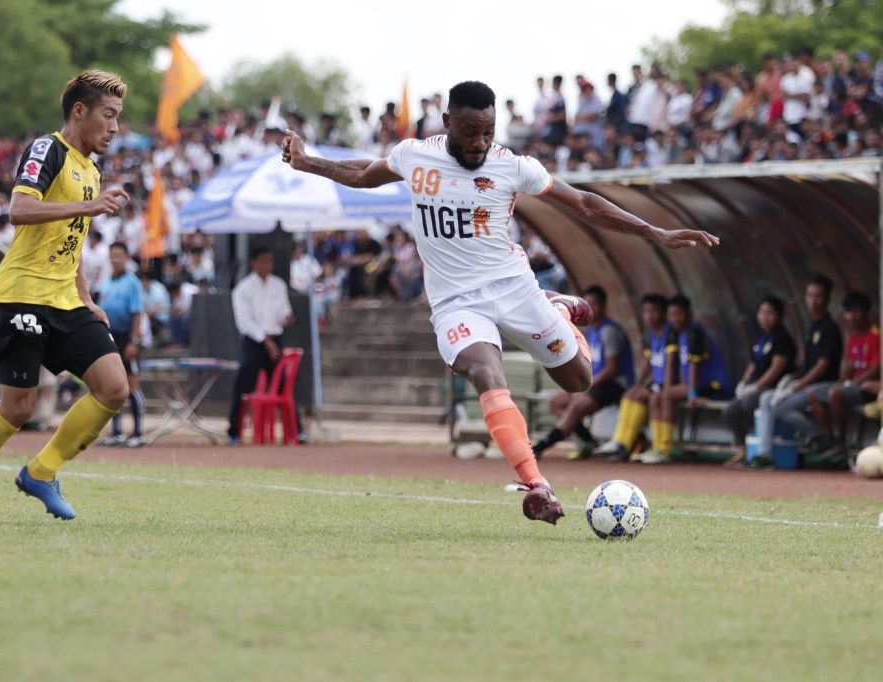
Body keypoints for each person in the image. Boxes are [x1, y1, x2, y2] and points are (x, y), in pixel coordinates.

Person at [281, 80, 718, 525]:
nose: (480, 142)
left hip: (515, 289)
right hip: (456, 302)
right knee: (485, 371)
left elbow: (584, 203)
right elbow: (362, 173)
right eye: (470, 131)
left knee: (578, 380)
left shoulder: (512, 166)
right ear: (447, 122)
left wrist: (655, 232)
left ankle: (558, 308)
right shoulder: (415, 155)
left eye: (488, 131)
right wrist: (308, 162)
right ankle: (537, 484)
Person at [0, 70, 132, 524]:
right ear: (79, 111)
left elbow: (71, 240)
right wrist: (89, 205)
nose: (115, 127)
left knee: (114, 387)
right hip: (21, 296)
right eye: (108, 115)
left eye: (118, 117)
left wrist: (86, 297)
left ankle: (41, 471)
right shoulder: (48, 149)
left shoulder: (91, 169)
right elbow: (19, 210)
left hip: (66, 301)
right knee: (18, 408)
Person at [746, 275, 843, 466]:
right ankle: (764, 453)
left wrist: (797, 386)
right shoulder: (812, 327)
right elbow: (807, 366)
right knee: (767, 398)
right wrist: (791, 379)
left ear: (827, 299)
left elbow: (822, 366)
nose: (813, 301)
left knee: (779, 405)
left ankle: (817, 435)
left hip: (823, 385)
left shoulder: (828, 328)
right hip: (807, 385)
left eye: (818, 296)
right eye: (809, 295)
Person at [533, 285, 635, 460]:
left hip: (614, 384)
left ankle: (542, 445)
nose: (591, 308)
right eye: (588, 304)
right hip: (595, 382)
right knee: (556, 402)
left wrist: (586, 386)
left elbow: (611, 369)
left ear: (603, 306)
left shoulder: (609, 331)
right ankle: (587, 441)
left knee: (577, 405)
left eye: (595, 304)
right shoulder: (592, 330)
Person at [638, 295, 732, 464]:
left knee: (666, 396)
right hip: (692, 385)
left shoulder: (695, 333)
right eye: (671, 315)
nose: (675, 319)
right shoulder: (679, 334)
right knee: (656, 396)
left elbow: (694, 367)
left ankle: (664, 449)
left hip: (712, 386)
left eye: (679, 314)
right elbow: (683, 368)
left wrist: (692, 393)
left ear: (688, 313)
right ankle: (656, 446)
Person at [226, 246, 298, 445]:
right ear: (254, 263)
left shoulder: (278, 285)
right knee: (243, 385)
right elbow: (244, 322)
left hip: (275, 338)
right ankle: (234, 431)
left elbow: (282, 311)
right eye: (263, 261)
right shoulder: (243, 289)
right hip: (254, 342)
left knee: (284, 386)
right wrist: (264, 340)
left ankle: (296, 430)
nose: (268, 265)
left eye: (270, 261)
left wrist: (287, 318)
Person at [594, 293, 669, 462]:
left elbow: (672, 365)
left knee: (647, 396)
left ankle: (659, 448)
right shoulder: (653, 334)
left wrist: (662, 386)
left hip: (668, 384)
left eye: (654, 311)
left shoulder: (670, 334)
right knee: (630, 394)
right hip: (657, 383)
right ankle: (621, 442)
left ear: (664, 313)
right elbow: (647, 361)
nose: (649, 316)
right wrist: (637, 384)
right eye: (646, 311)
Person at [722, 296, 797, 467]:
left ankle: (758, 448)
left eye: (770, 313)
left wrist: (756, 386)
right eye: (762, 312)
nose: (765, 317)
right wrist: (744, 383)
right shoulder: (762, 338)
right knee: (730, 411)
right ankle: (744, 449)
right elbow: (753, 364)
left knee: (749, 403)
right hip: (756, 386)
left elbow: (775, 369)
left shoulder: (782, 338)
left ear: (779, 315)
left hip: (774, 387)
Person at [807, 291, 880, 464]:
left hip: (868, 388)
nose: (851, 316)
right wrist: (842, 381)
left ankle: (842, 441)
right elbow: (850, 365)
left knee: (835, 394)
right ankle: (829, 439)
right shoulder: (854, 337)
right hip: (853, 386)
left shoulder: (876, 335)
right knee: (813, 394)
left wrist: (854, 383)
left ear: (866, 312)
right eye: (848, 312)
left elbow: (876, 368)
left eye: (856, 311)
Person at [97, 241, 146, 448]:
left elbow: (137, 313)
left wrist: (134, 341)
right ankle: (116, 432)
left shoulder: (132, 283)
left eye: (120, 256)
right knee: (113, 386)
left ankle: (138, 433)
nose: (116, 260)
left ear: (126, 258)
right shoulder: (105, 283)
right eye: (113, 256)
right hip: (110, 337)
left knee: (132, 384)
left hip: (127, 337)